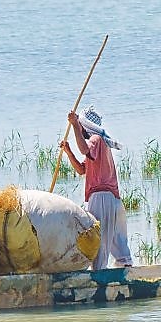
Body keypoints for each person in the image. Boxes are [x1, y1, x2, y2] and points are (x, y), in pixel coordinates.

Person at [60, 106, 134, 270]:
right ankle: (125, 267)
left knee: (98, 238)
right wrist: (69, 152)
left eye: (81, 125)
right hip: (113, 199)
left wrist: (74, 125)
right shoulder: (101, 143)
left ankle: (99, 274)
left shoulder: (96, 140)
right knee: (116, 238)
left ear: (85, 126)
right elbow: (81, 170)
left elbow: (84, 149)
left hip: (101, 197)